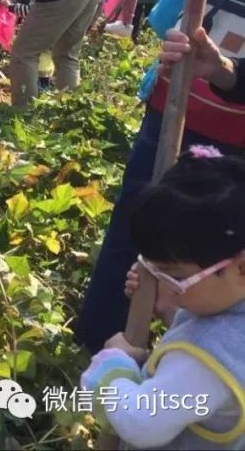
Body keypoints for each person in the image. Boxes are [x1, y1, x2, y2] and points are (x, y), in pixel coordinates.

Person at [76, 0, 245, 353]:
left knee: (145, 221)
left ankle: (106, 341)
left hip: (187, 110)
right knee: (227, 248)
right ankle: (205, 357)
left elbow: (166, 17)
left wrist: (221, 65)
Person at [80, 148, 245, 449]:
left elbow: (142, 422)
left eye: (176, 276)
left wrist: (112, 367)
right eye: (156, 270)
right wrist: (172, 311)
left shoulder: (205, 362)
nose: (162, 284)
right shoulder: (226, 305)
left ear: (241, 267)